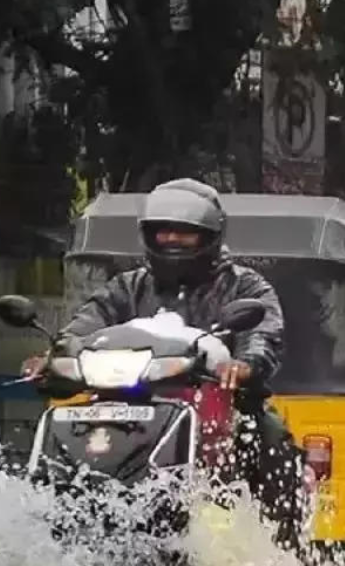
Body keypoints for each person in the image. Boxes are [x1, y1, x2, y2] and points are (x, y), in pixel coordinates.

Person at [26, 178, 303, 540]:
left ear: (209, 236)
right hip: (126, 403)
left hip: (222, 405)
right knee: (67, 429)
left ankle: (280, 549)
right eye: (163, 231)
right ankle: (40, 524)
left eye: (184, 232)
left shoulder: (245, 286)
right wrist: (56, 356)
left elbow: (263, 331)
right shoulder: (128, 287)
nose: (171, 239)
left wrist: (246, 363)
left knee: (271, 439)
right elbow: (86, 324)